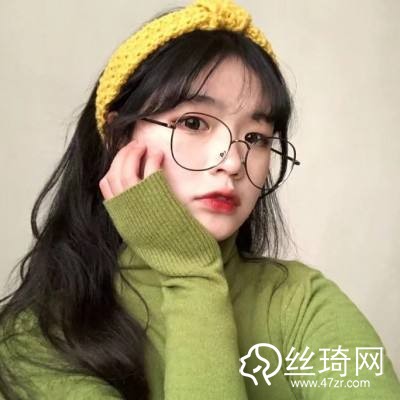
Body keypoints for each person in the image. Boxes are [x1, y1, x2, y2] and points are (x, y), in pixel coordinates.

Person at [0, 0, 399, 399]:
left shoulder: (304, 302)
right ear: (118, 137)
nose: (233, 161)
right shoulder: (34, 341)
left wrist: (190, 271)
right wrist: (191, 276)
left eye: (256, 137)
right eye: (193, 123)